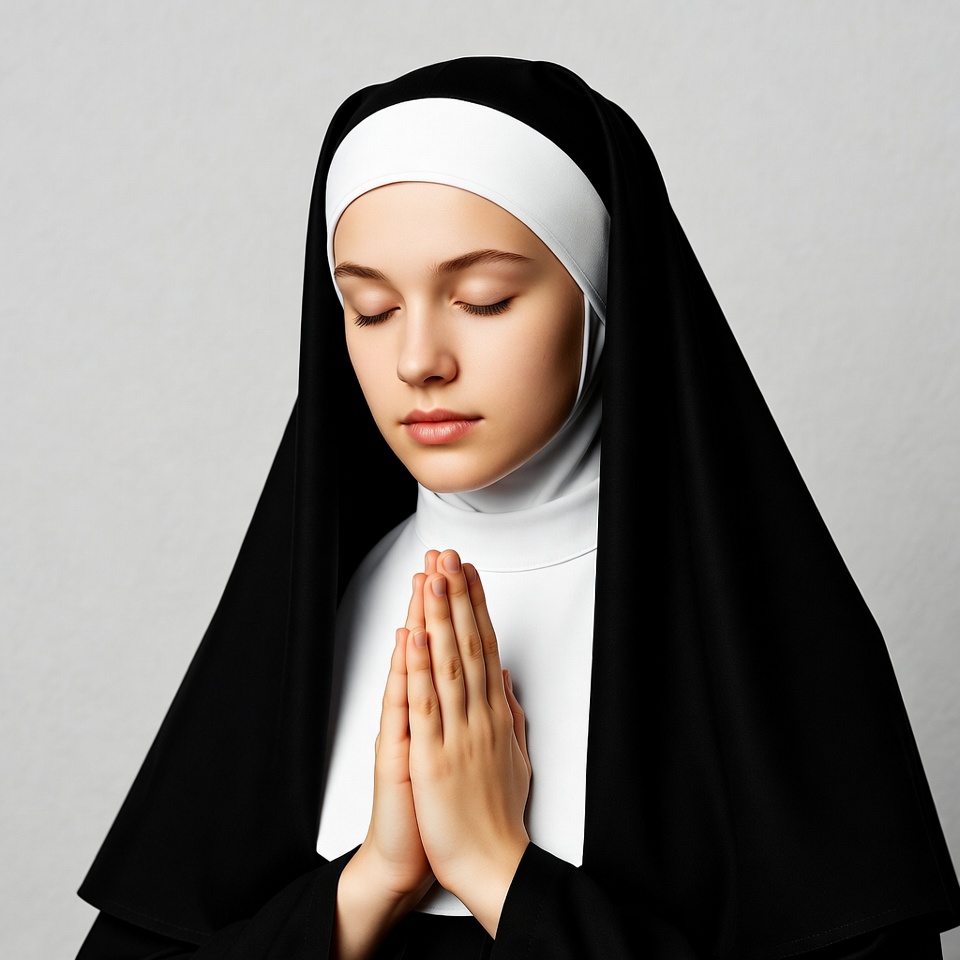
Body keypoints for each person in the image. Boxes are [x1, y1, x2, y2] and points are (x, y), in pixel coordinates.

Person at [75, 58, 960, 959]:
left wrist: (502, 873)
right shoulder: (311, 617)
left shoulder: (766, 643)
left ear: (602, 301)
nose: (419, 358)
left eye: (483, 299)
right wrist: (366, 886)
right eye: (370, 309)